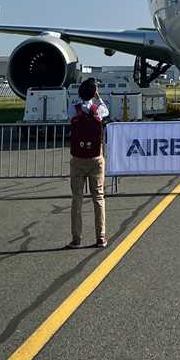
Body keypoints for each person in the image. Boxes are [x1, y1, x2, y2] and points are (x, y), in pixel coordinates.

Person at [68, 77, 107, 249]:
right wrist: (97, 97)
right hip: (95, 157)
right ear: (94, 92)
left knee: (77, 198)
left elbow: (68, 117)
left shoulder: (73, 109)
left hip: (78, 158)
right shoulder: (98, 109)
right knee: (98, 197)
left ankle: (76, 238)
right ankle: (100, 237)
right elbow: (106, 110)